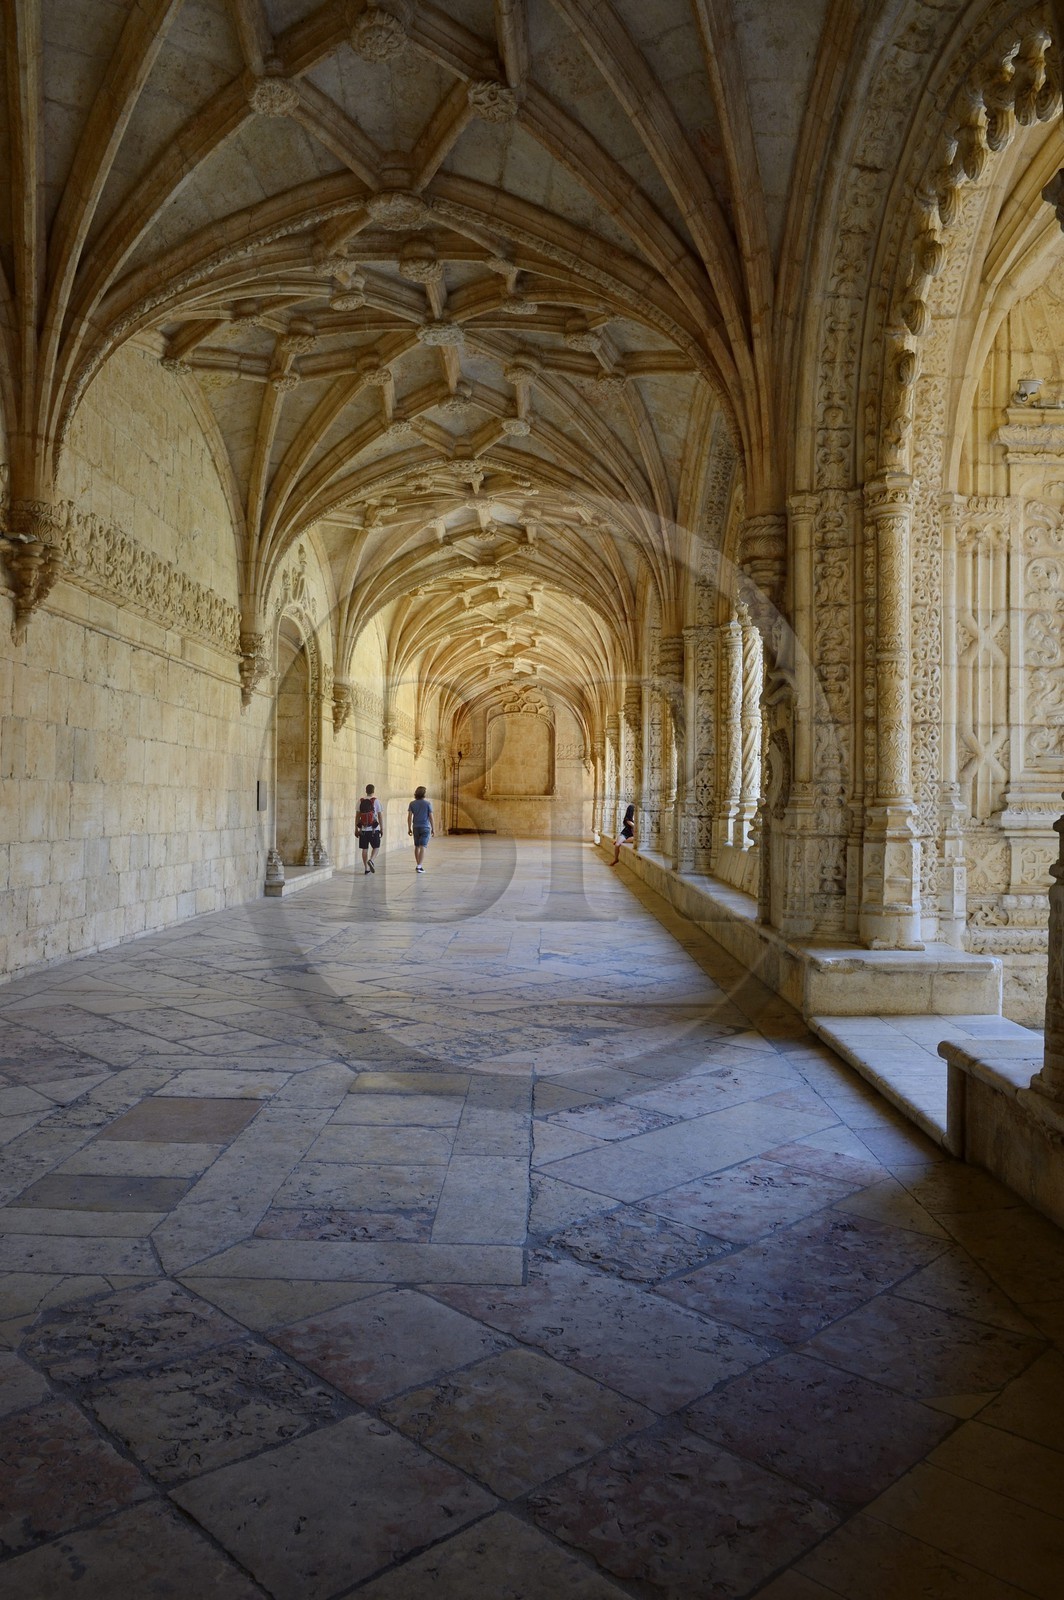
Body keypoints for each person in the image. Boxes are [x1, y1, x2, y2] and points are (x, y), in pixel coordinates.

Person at [407, 785, 434, 872]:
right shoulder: (428, 804)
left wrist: (409, 828)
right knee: (423, 846)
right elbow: (431, 817)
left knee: (417, 846)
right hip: (425, 827)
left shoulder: (412, 804)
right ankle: (419, 866)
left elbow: (409, 817)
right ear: (424, 794)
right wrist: (433, 828)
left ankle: (418, 865)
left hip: (415, 827)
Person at [357, 784, 382, 874]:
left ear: (366, 790)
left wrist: (357, 829)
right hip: (374, 829)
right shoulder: (376, 801)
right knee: (376, 847)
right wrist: (382, 828)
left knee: (364, 849)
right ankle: (371, 860)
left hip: (363, 830)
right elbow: (380, 816)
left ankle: (366, 869)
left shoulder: (360, 801)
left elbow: (357, 816)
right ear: (373, 791)